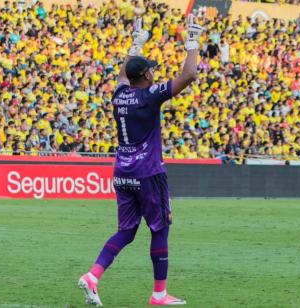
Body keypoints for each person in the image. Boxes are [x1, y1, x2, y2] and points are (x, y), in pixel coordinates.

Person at [78, 15, 205, 306]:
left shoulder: (119, 94)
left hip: (122, 171)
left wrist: (136, 44)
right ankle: (159, 294)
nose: (153, 74)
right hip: (148, 172)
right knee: (160, 229)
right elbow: (189, 76)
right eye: (151, 71)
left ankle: (93, 276)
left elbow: (124, 74)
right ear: (146, 76)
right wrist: (193, 41)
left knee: (126, 230)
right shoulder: (149, 96)